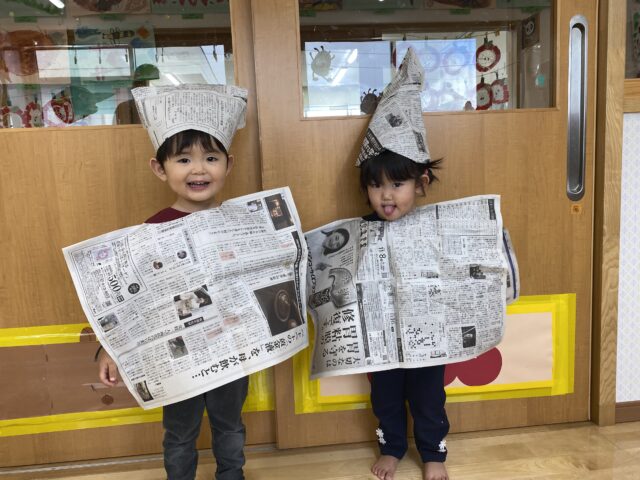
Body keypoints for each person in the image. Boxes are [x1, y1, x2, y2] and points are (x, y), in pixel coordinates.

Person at [97, 84, 249, 480]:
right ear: (160, 168)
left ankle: (232, 475)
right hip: (176, 353)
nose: (199, 169)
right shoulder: (150, 232)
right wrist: (110, 347)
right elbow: (127, 297)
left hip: (231, 347)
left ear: (228, 165)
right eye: (184, 159)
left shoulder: (239, 224)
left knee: (230, 425)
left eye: (211, 158)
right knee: (180, 432)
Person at [355, 48, 448, 480]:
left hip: (428, 331)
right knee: (386, 394)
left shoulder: (437, 227)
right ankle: (391, 446)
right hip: (382, 334)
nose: (386, 195)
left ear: (421, 182)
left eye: (397, 183)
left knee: (429, 396)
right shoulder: (362, 229)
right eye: (376, 186)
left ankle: (433, 453)